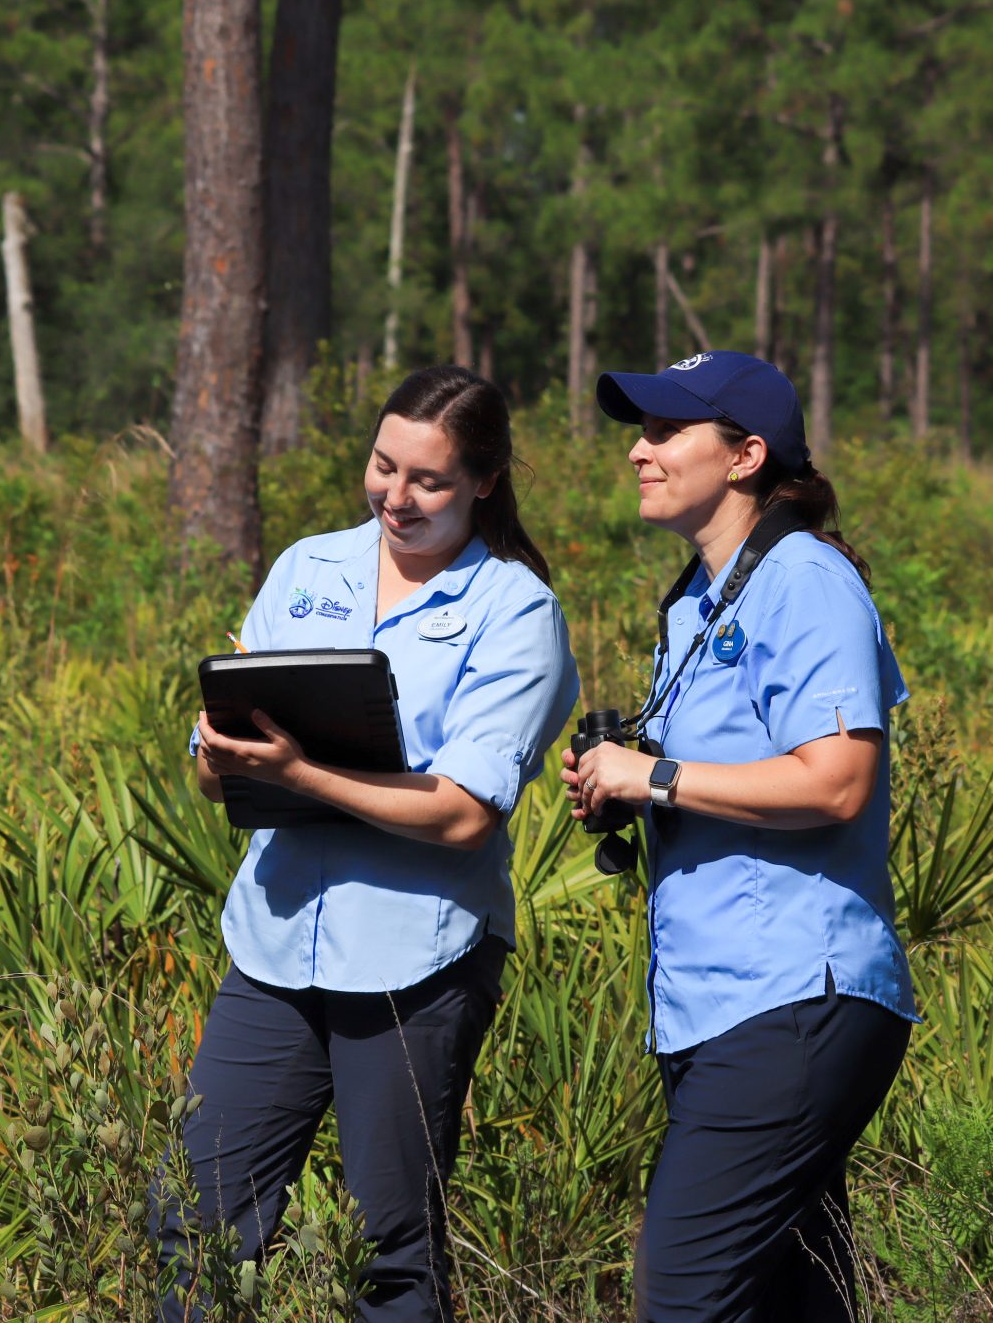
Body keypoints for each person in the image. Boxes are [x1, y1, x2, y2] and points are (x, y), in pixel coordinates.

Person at [154, 365, 580, 1322]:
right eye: (384, 466)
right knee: (197, 1222)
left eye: (427, 479)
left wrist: (300, 774)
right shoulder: (308, 567)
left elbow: (468, 808)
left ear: (484, 480)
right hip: (272, 944)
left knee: (388, 1249)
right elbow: (210, 763)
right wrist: (226, 751)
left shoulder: (516, 609)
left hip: (414, 961)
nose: (396, 495)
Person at [562, 351, 915, 1322]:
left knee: (682, 1293)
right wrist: (628, 791)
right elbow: (743, 775)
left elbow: (837, 780)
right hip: (719, 1000)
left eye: (665, 432)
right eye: (640, 432)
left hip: (794, 994)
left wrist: (660, 774)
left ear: (744, 456)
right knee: (791, 1301)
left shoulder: (801, 578)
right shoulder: (695, 596)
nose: (638, 452)